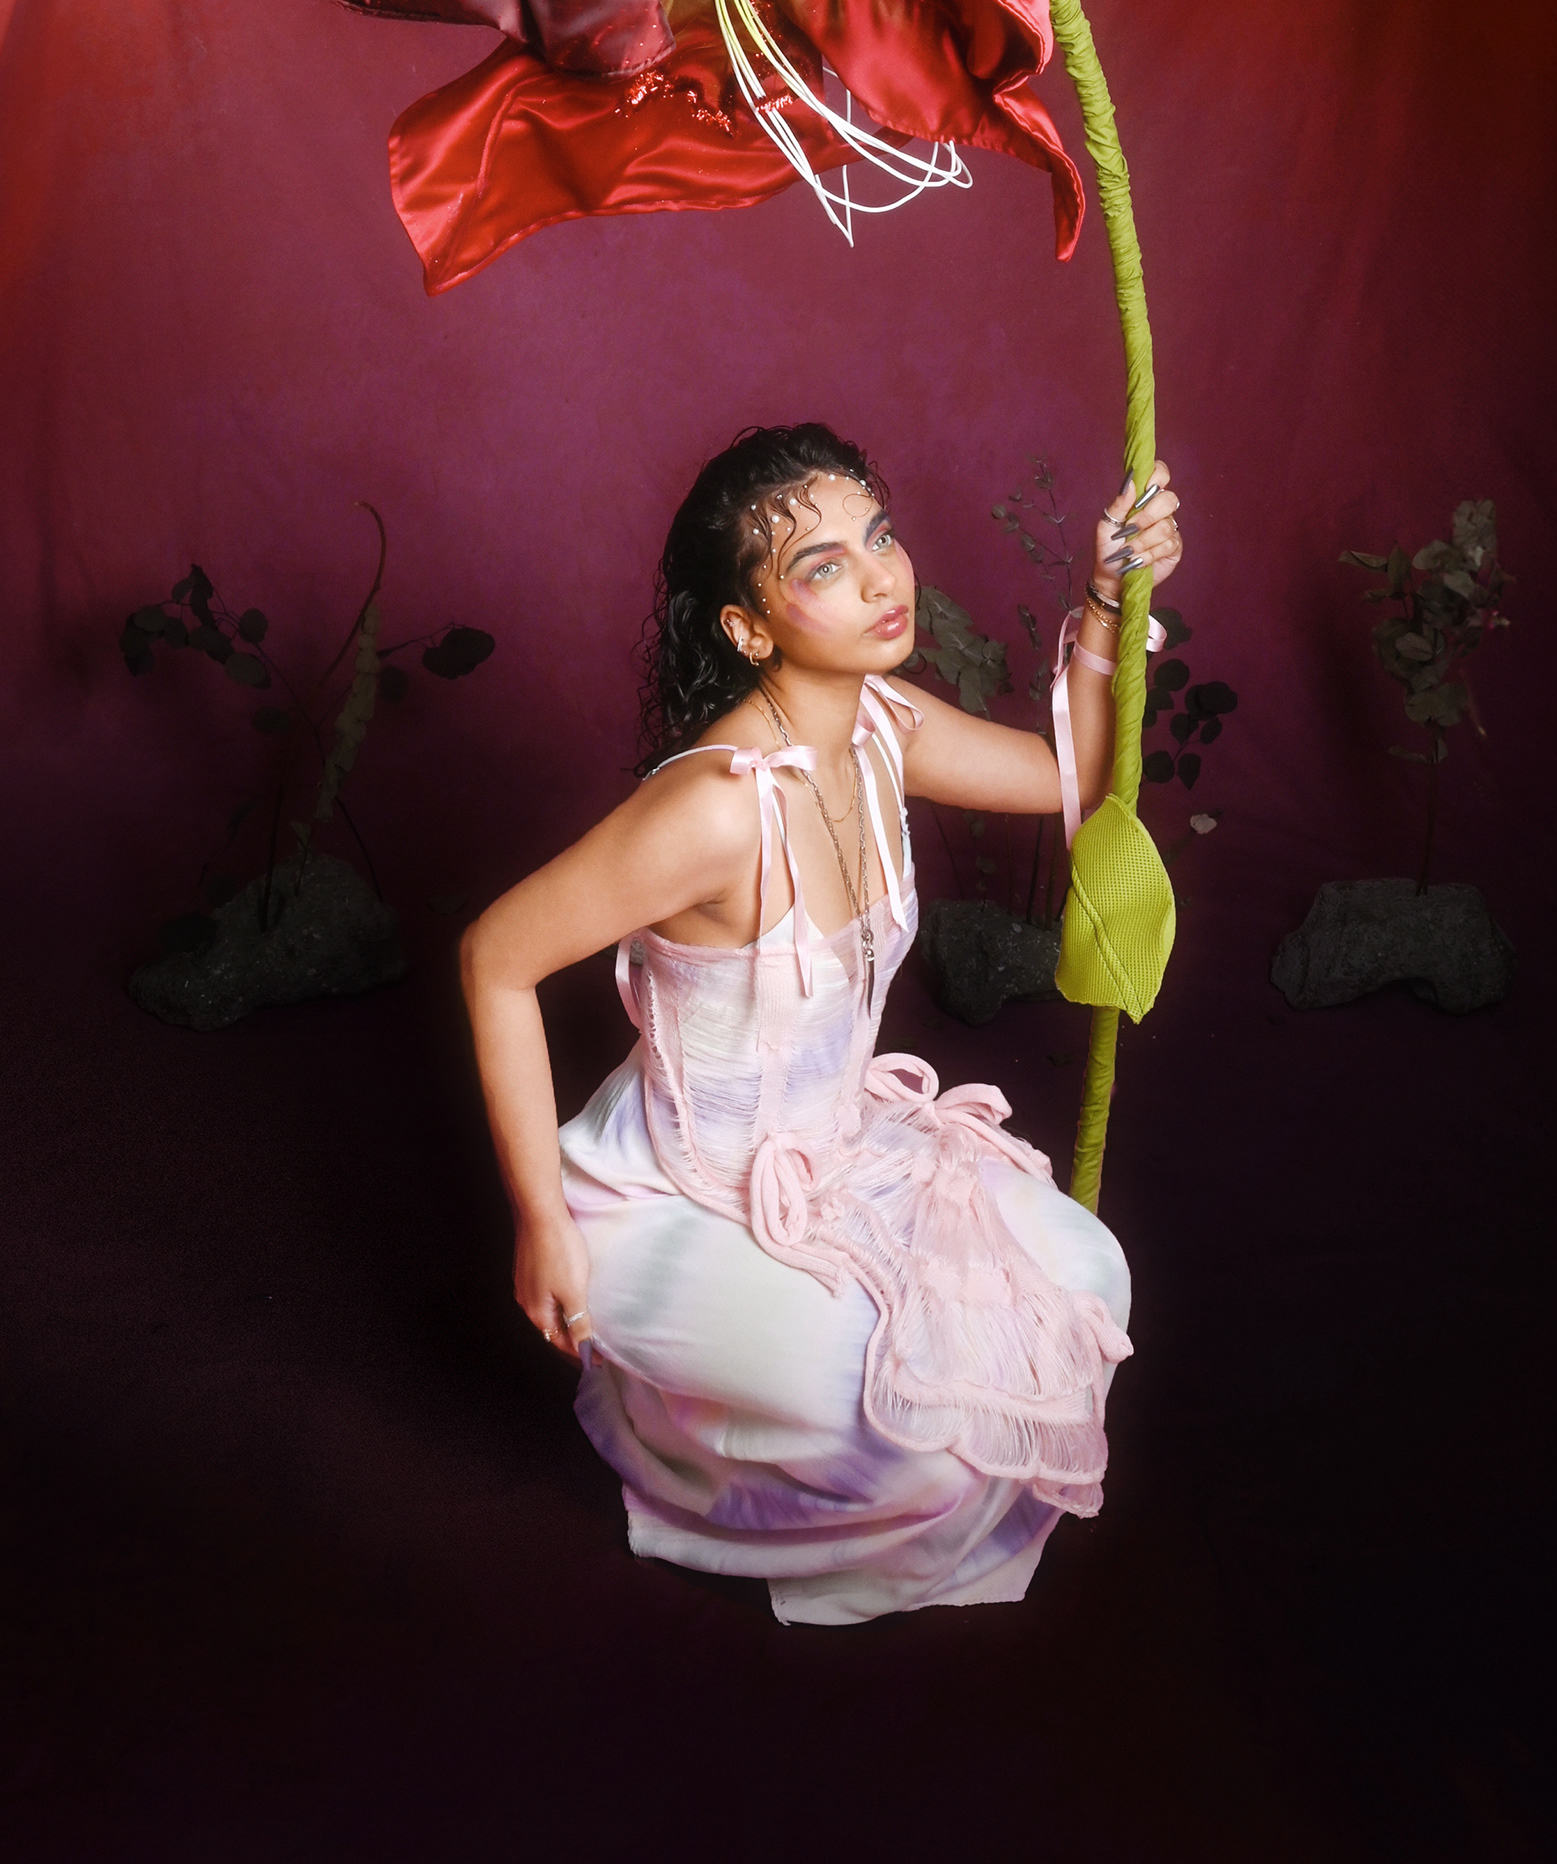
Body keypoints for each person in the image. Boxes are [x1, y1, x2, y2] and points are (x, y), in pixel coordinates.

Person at [460, 423, 1185, 1625]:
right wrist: (541, 1223)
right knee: (918, 1453)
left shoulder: (886, 725)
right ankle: (683, 1449)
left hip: (845, 1156)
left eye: (879, 536)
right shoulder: (712, 810)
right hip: (682, 1194)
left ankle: (768, 1393)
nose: (881, 577)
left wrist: (1111, 600)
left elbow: (1080, 779)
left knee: (1089, 1278)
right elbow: (494, 957)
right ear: (749, 627)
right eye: (824, 565)